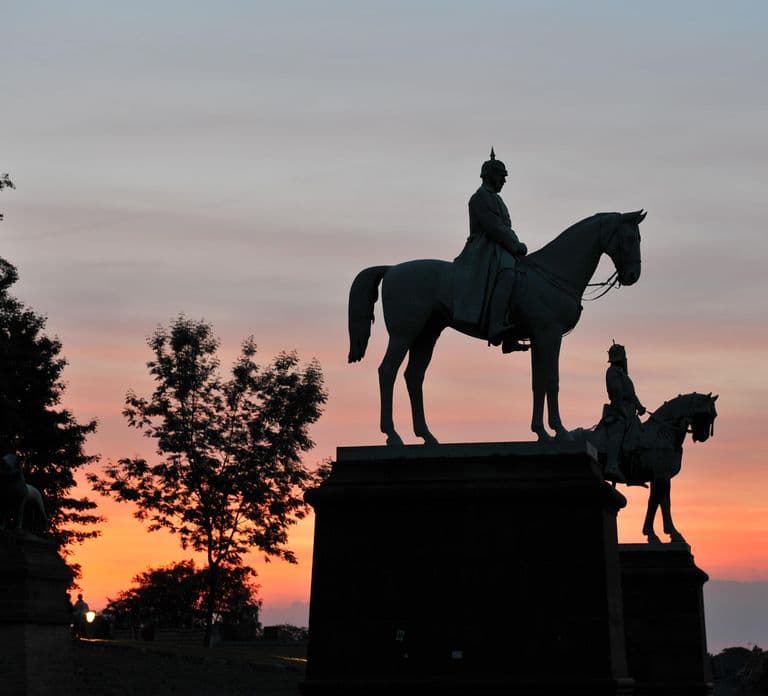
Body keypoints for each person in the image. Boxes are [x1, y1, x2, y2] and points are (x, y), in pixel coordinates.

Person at [453, 148, 528, 352]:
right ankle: (495, 325)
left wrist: (514, 243)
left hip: (499, 246)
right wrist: (515, 245)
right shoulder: (479, 197)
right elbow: (494, 227)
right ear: (491, 176)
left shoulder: (497, 199)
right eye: (501, 177)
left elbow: (504, 227)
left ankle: (509, 332)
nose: (504, 181)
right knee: (508, 274)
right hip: (484, 248)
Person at [602, 343, 646, 483]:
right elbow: (616, 393)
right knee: (619, 429)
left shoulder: (623, 375)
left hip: (629, 412)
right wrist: (621, 410)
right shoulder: (612, 372)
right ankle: (612, 465)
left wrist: (640, 407)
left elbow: (632, 395)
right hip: (618, 412)